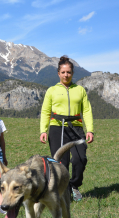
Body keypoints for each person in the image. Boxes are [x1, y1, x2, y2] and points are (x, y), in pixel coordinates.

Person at [39, 55, 94, 202]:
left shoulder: (80, 90)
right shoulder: (51, 91)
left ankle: (74, 185)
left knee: (80, 159)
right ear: (58, 73)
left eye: (68, 72)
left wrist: (90, 130)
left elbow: (87, 110)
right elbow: (45, 111)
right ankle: (65, 191)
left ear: (72, 73)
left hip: (76, 128)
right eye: (63, 72)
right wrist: (43, 131)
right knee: (61, 163)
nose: (66, 75)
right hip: (57, 128)